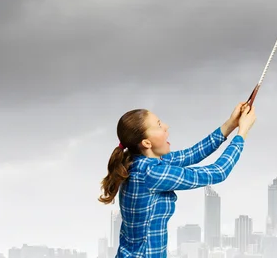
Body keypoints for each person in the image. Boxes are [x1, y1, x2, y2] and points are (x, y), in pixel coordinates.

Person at [98, 102, 256, 258]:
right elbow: (218, 172)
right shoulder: (151, 174)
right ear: (146, 143)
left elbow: (193, 153)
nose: (166, 126)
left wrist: (231, 124)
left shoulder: (140, 161)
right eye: (159, 125)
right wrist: (242, 134)